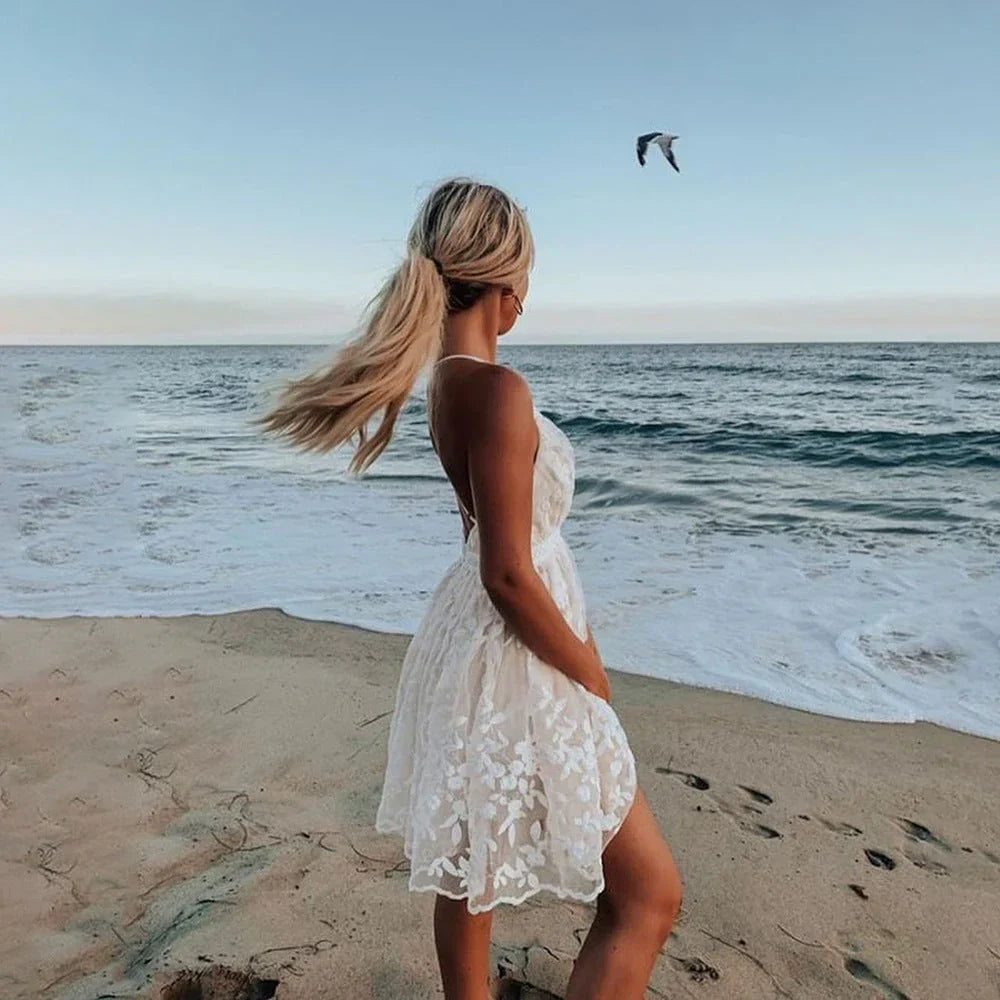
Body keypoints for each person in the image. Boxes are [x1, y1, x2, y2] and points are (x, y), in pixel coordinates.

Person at [254, 177, 682, 1000]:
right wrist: (587, 670)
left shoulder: (448, 386)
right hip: (519, 646)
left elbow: (482, 540)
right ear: (509, 288)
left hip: (478, 644)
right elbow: (510, 573)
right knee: (647, 894)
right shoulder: (498, 388)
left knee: (471, 862)